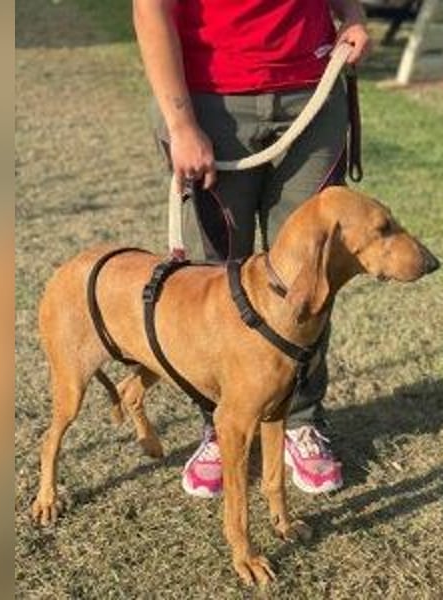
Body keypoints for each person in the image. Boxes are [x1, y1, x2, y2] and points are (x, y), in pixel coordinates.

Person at [133, 0, 370, 498]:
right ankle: (218, 424)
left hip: (312, 92)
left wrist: (352, 16)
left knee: (310, 278)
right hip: (211, 101)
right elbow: (150, 9)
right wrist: (181, 126)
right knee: (214, 282)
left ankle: (301, 419)